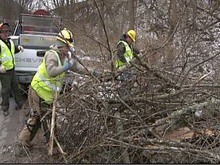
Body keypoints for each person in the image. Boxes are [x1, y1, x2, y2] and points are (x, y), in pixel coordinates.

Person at [19, 28, 101, 148]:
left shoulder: (65, 56)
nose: (69, 49)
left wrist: (94, 73)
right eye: (67, 46)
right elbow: (52, 72)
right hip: (39, 91)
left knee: (37, 116)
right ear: (61, 44)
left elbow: (78, 68)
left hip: (47, 93)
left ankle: (24, 140)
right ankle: (52, 145)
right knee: (48, 119)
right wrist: (66, 67)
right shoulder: (51, 55)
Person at [0, 22, 24, 116]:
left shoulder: (9, 41)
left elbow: (12, 50)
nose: (6, 33)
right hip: (4, 71)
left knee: (16, 87)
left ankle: (19, 103)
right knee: (6, 90)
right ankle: (5, 107)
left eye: (7, 31)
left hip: (12, 69)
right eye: (3, 32)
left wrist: (18, 47)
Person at [114, 29, 140, 95]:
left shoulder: (129, 45)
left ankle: (127, 96)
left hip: (128, 67)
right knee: (124, 84)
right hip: (122, 67)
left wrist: (141, 52)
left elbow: (134, 50)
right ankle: (122, 96)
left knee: (129, 83)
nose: (132, 42)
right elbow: (119, 54)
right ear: (128, 37)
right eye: (131, 40)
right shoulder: (122, 44)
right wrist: (126, 62)